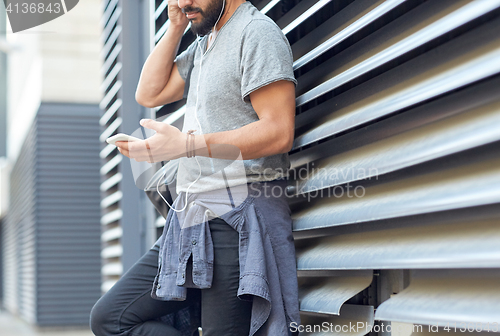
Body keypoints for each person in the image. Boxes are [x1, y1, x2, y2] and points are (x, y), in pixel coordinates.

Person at [89, 0, 300, 334]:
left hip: (237, 218)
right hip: (192, 218)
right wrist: (174, 27)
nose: (183, 2)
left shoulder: (255, 33)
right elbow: (149, 93)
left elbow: (278, 131)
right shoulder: (205, 42)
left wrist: (186, 146)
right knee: (111, 318)